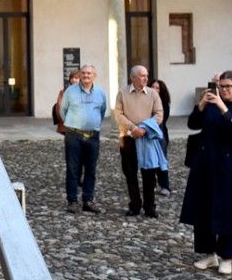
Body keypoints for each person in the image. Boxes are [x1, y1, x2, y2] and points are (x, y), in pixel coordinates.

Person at [179, 71, 232, 276]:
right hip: (205, 162)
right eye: (221, 86)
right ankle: (209, 253)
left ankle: (227, 256)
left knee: (228, 210)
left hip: (228, 166)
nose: (224, 90)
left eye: (228, 86)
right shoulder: (209, 105)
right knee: (203, 208)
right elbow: (193, 124)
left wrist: (222, 107)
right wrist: (202, 104)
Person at [114, 65, 165, 217]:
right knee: (130, 173)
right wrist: (133, 128)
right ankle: (135, 205)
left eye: (146, 75)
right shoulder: (122, 93)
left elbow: (159, 114)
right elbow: (118, 114)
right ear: (133, 77)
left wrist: (143, 128)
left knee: (149, 174)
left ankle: (150, 207)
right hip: (128, 138)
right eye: (142, 75)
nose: (145, 78)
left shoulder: (153, 94)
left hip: (147, 138)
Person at [59, 63, 108, 213]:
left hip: (93, 136)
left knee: (91, 169)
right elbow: (63, 111)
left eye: (89, 73)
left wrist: (91, 123)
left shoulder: (100, 92)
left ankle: (88, 200)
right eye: (84, 73)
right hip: (74, 135)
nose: (86, 75)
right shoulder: (70, 92)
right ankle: (72, 200)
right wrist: (73, 125)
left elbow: (102, 110)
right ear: (79, 75)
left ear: (95, 76)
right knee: (73, 169)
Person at [150, 75, 173, 194]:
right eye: (152, 87)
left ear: (161, 90)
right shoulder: (145, 101)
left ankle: (165, 185)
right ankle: (151, 184)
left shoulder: (164, 104)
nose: (154, 89)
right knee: (149, 160)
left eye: (157, 87)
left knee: (161, 159)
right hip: (147, 135)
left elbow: (163, 119)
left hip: (160, 134)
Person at [53, 69, 80, 135]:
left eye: (76, 78)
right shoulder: (64, 92)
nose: (73, 80)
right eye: (72, 78)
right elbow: (60, 107)